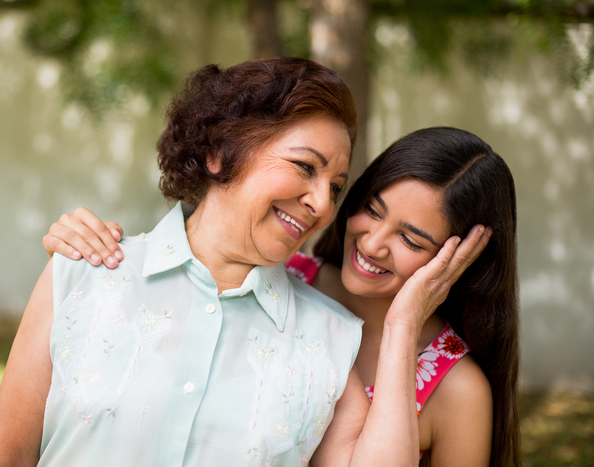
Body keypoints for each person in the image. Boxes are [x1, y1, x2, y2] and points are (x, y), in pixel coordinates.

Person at [44, 127, 517, 466]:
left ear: (461, 262)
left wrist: (402, 327)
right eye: (371, 210)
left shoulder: (459, 392)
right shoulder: (276, 274)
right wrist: (86, 247)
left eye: (412, 241)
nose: (373, 244)